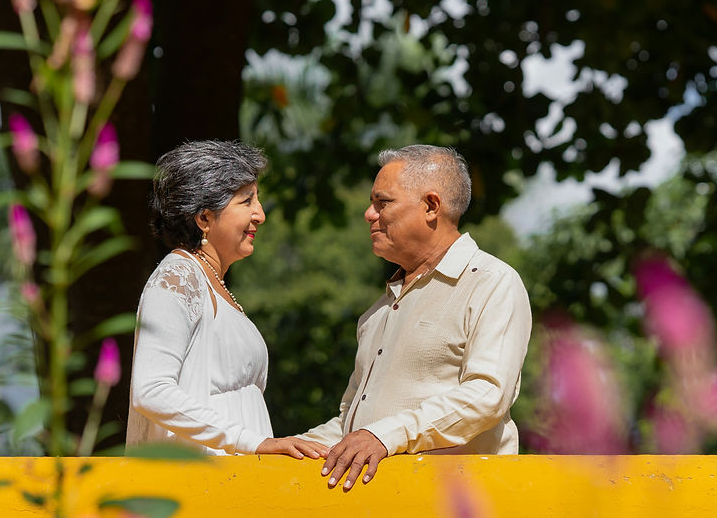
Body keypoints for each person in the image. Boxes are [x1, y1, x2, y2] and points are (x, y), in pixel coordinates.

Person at [299, 145, 532, 489]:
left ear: (431, 206)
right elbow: (352, 426)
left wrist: (386, 434)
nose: (369, 213)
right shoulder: (376, 312)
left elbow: (487, 395)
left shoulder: (491, 282)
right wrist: (295, 446)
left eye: (383, 202)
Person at [126, 140, 327, 459]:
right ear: (204, 218)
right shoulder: (178, 277)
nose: (260, 214)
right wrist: (252, 442)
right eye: (247, 201)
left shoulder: (211, 282)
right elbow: (150, 392)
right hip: (201, 488)